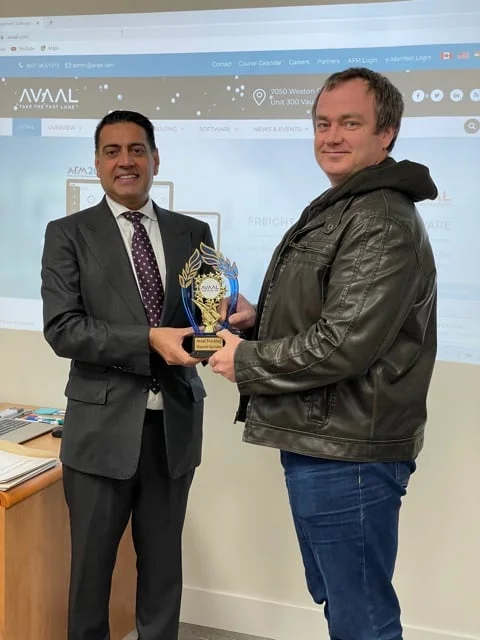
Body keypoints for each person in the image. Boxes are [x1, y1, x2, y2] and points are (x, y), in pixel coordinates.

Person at [209, 67, 438, 640]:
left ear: (386, 132)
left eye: (350, 123)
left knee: (361, 616)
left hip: (349, 453)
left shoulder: (379, 218)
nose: (331, 136)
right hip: (328, 443)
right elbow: (334, 317)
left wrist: (246, 361)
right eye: (322, 123)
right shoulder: (346, 204)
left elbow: (342, 345)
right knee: (345, 603)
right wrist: (258, 321)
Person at [41, 110, 212, 640]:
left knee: (163, 575)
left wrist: (230, 327)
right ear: (96, 163)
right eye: (111, 151)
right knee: (90, 579)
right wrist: (147, 339)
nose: (125, 161)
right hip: (99, 434)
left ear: (155, 158)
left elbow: (205, 325)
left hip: (173, 430)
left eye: (137, 149)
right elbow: (64, 329)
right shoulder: (68, 234)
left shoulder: (193, 233)